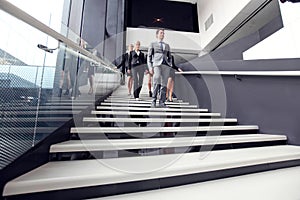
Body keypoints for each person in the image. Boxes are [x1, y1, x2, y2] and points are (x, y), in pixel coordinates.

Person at [147, 28, 172, 107]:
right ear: (157, 35)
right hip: (156, 64)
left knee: (164, 83)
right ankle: (153, 100)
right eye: (161, 33)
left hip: (165, 65)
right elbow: (149, 56)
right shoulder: (152, 44)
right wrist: (150, 67)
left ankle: (162, 101)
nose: (163, 34)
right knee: (156, 79)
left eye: (163, 33)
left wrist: (170, 64)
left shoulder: (167, 45)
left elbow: (170, 56)